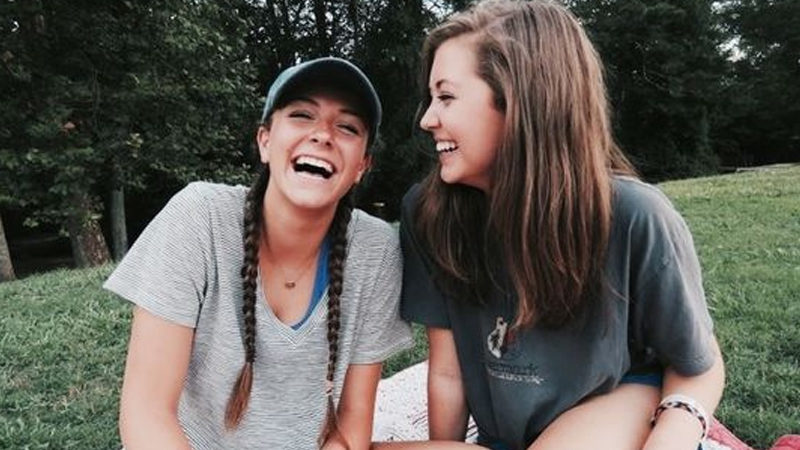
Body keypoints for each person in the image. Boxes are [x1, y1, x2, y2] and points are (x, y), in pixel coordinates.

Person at [397, 1, 725, 449]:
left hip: (623, 407)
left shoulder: (635, 215)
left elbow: (698, 364)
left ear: (522, 101)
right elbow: (449, 373)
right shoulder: (429, 212)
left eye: (447, 97)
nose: (427, 119)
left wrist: (669, 438)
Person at [104, 57, 413, 449]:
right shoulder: (199, 217)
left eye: (347, 127)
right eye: (302, 115)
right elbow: (146, 414)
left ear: (361, 166)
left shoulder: (375, 249)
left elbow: (353, 420)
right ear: (265, 141)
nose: (323, 134)